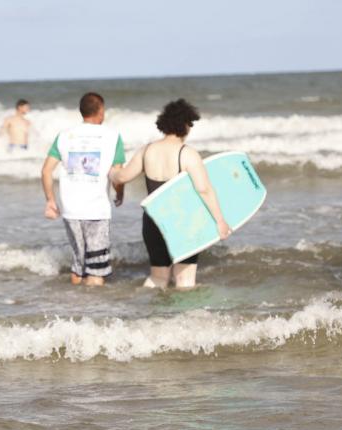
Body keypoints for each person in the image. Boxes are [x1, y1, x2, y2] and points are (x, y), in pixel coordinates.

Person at [110, 98, 231, 289]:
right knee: (184, 280)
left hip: (153, 222)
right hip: (182, 223)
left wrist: (111, 172)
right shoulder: (187, 153)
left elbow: (123, 176)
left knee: (158, 278)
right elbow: (204, 189)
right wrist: (220, 221)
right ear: (185, 125)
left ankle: (145, 314)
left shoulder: (146, 150)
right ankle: (181, 319)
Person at [40, 92, 126, 286]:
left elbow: (46, 171)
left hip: (71, 210)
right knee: (96, 269)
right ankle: (91, 312)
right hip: (96, 209)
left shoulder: (64, 136)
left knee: (78, 263)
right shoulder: (112, 136)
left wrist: (50, 200)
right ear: (101, 111)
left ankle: (75, 308)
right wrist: (120, 193)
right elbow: (117, 174)